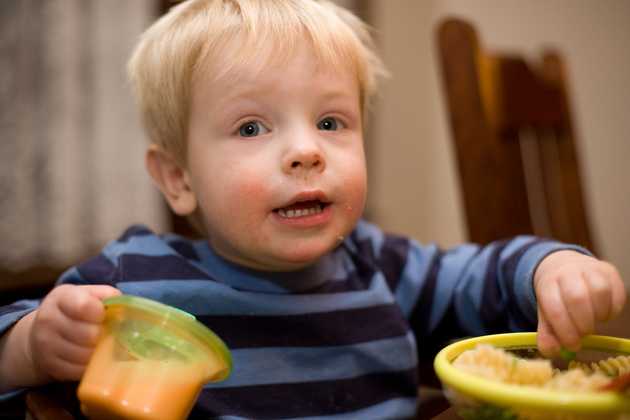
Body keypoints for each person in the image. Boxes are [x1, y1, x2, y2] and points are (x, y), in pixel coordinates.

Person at [0, 0, 626, 418]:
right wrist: (32, 344)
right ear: (178, 178)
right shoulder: (136, 280)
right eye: (251, 128)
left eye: (331, 121)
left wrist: (550, 269)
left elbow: (480, 281)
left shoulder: (380, 265)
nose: (305, 151)